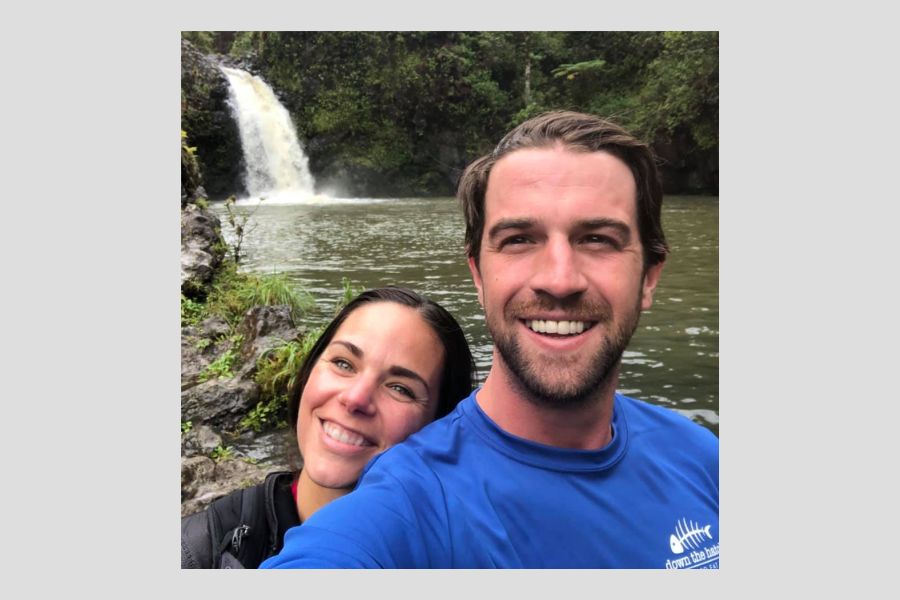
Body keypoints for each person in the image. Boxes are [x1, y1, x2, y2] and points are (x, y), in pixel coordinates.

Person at [261, 111, 719, 569]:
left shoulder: (703, 459)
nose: (559, 280)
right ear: (478, 274)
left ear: (649, 278)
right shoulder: (408, 505)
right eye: (520, 239)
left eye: (597, 239)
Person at [181, 287, 476, 568]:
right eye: (343, 364)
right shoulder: (201, 551)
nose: (355, 398)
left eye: (400, 388)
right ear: (308, 372)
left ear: (440, 425)